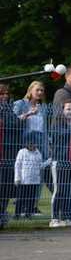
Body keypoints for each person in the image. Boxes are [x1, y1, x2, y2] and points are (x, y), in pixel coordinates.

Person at [14, 133, 50, 220]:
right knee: (20, 198)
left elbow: (40, 166)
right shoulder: (22, 152)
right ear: (27, 144)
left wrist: (48, 162)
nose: (33, 146)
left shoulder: (38, 153)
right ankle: (17, 214)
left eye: (34, 144)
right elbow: (17, 165)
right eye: (30, 144)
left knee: (31, 199)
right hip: (23, 180)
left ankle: (28, 214)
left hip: (34, 181)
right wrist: (17, 178)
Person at [13, 81, 48, 159]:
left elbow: (44, 127)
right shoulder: (20, 104)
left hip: (41, 140)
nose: (40, 92)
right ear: (30, 91)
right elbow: (13, 121)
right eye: (37, 90)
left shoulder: (43, 107)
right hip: (25, 140)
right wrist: (28, 114)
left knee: (40, 166)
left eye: (42, 90)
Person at [0, 84, 19, 228]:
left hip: (9, 152)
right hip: (2, 149)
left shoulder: (9, 109)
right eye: (2, 94)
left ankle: (2, 213)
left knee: (6, 186)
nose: (5, 96)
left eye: (7, 93)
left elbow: (15, 124)